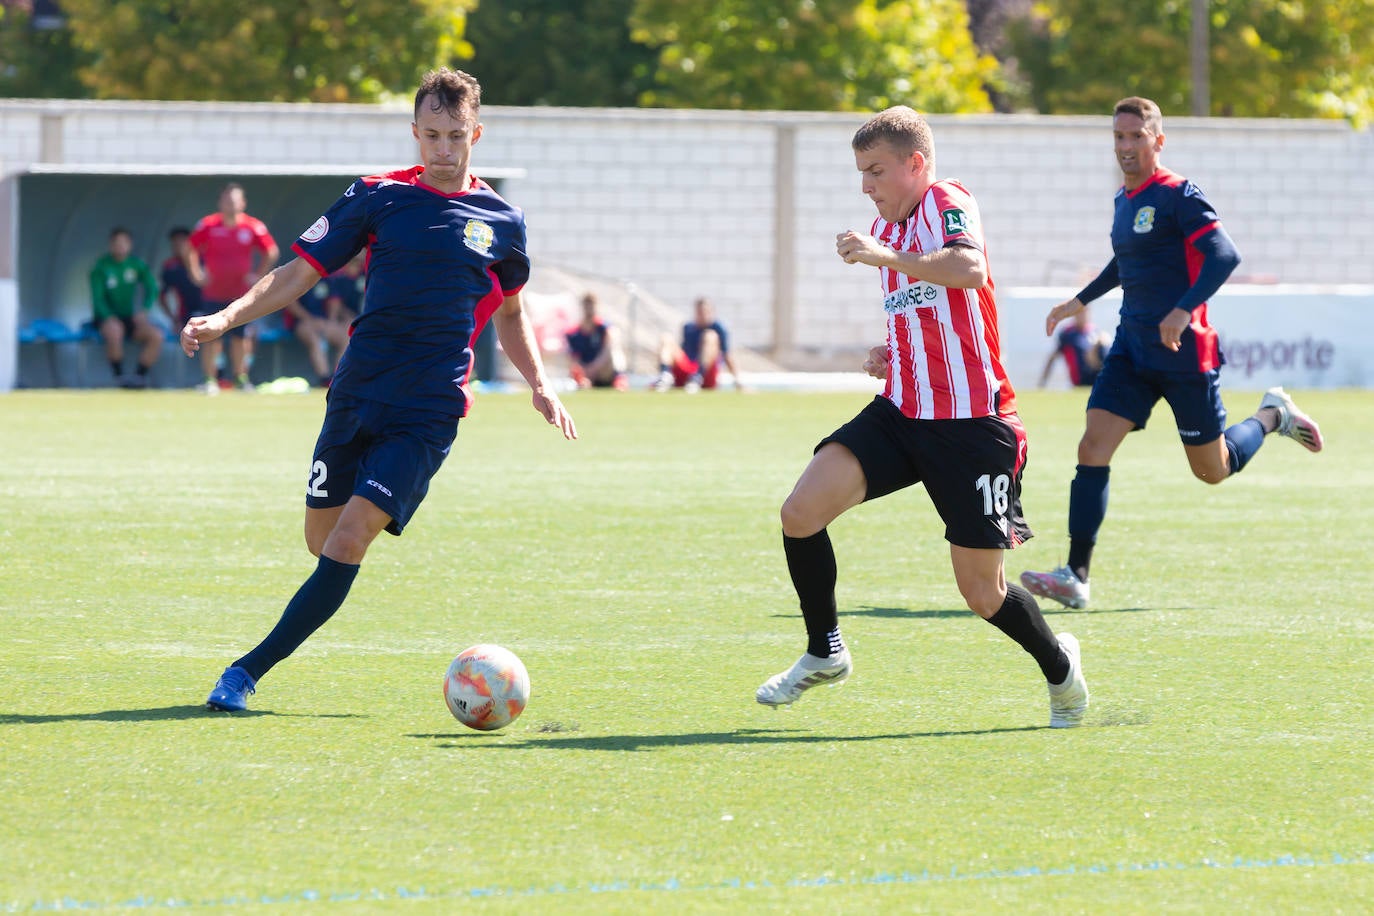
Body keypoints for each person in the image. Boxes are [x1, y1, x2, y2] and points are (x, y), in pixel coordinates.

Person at [182, 68, 577, 712]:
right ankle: (288, 622)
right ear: (414, 133)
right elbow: (297, 273)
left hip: (430, 408)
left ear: (476, 133)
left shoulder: (503, 221)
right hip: (359, 392)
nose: (443, 151)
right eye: (431, 136)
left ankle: (245, 671)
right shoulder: (376, 197)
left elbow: (510, 312)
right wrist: (226, 318)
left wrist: (539, 383)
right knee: (321, 539)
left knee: (349, 539)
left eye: (455, 136)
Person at [754, 106, 1089, 729]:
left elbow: (968, 268)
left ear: (916, 164)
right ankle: (824, 650)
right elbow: (935, 311)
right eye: (860, 173)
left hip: (972, 426)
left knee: (981, 593)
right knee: (800, 513)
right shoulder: (897, 233)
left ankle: (1060, 668)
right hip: (903, 412)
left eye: (875, 170)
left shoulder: (945, 199)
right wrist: (893, 353)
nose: (865, 186)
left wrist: (882, 255)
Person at [1020, 97, 1323, 611]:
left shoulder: (1179, 194)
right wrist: (1078, 302)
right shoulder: (1123, 200)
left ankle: (1273, 415)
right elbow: (1124, 263)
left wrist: (1183, 309)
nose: (1126, 146)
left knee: (1212, 470)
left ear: (1158, 141)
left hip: (1184, 353)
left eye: (1136, 137)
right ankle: (1075, 575)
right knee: (1092, 447)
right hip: (1132, 350)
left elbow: (1225, 253)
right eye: (1119, 137)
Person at [187, 182, 279, 393]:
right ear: (220, 202)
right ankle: (210, 380)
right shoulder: (208, 225)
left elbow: (271, 251)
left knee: (241, 337)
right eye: (227, 200)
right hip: (213, 292)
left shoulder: (253, 226)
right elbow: (190, 247)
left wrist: (258, 276)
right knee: (209, 334)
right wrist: (196, 272)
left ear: (243, 203)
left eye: (235, 200)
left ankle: (241, 378)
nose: (231, 204)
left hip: (240, 295)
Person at [89, 226, 162, 388]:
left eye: (124, 242)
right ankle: (119, 377)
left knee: (156, 336)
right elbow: (97, 299)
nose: (121, 246)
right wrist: (108, 317)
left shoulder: (136, 265)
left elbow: (152, 288)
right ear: (111, 245)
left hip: (129, 317)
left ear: (130, 245)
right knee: (115, 331)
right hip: (105, 317)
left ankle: (138, 377)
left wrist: (144, 310)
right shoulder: (101, 267)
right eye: (117, 242)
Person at [653, 297, 743, 392]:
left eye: (705, 312)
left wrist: (738, 381)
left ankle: (697, 377)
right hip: (687, 371)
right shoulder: (688, 327)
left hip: (706, 374)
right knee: (666, 337)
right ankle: (664, 376)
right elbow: (682, 353)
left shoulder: (719, 328)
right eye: (699, 312)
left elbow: (726, 355)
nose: (702, 315)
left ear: (711, 312)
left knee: (710, 336)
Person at [285, 269, 353, 387]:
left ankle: (338, 377)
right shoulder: (297, 278)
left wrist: (331, 320)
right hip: (303, 322)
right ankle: (325, 379)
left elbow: (334, 301)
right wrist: (309, 319)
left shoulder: (326, 278)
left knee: (346, 337)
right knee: (314, 339)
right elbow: (290, 303)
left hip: (323, 322)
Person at [565, 292, 628, 390]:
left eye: (592, 305)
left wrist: (594, 367)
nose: (589, 309)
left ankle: (619, 381)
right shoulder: (574, 333)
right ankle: (582, 382)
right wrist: (583, 373)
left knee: (616, 350)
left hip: (602, 370)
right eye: (587, 306)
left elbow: (608, 348)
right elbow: (574, 359)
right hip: (586, 372)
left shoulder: (605, 329)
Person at [1038, 305, 1110, 388]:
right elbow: (1053, 357)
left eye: (1085, 313)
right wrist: (1043, 381)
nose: (1083, 316)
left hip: (1097, 374)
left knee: (1104, 343)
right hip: (1080, 378)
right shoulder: (1067, 334)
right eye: (1080, 313)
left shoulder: (1095, 331)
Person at [158, 226, 204, 338]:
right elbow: (162, 296)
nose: (178, 246)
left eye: (182, 242)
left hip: (209, 312)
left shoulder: (203, 261)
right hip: (185, 316)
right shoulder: (170, 266)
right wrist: (173, 318)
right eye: (175, 243)